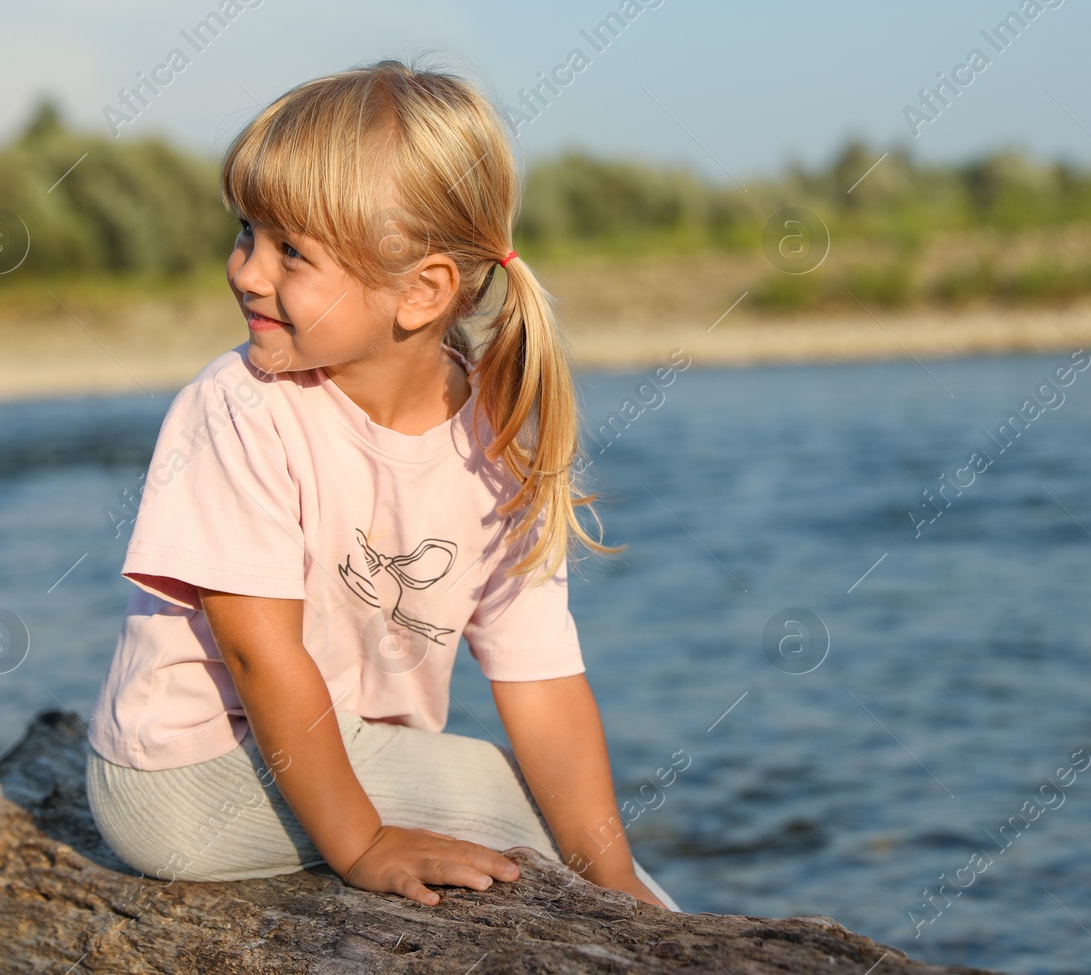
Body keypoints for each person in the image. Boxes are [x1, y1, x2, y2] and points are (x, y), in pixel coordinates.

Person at [83, 58, 680, 913]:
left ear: (421, 292)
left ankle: (654, 923)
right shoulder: (241, 410)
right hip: (182, 778)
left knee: (566, 830)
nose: (247, 270)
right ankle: (669, 935)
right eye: (249, 232)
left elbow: (541, 681)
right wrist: (362, 844)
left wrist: (613, 875)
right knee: (502, 801)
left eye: (292, 251)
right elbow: (259, 651)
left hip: (333, 753)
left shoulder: (497, 435)